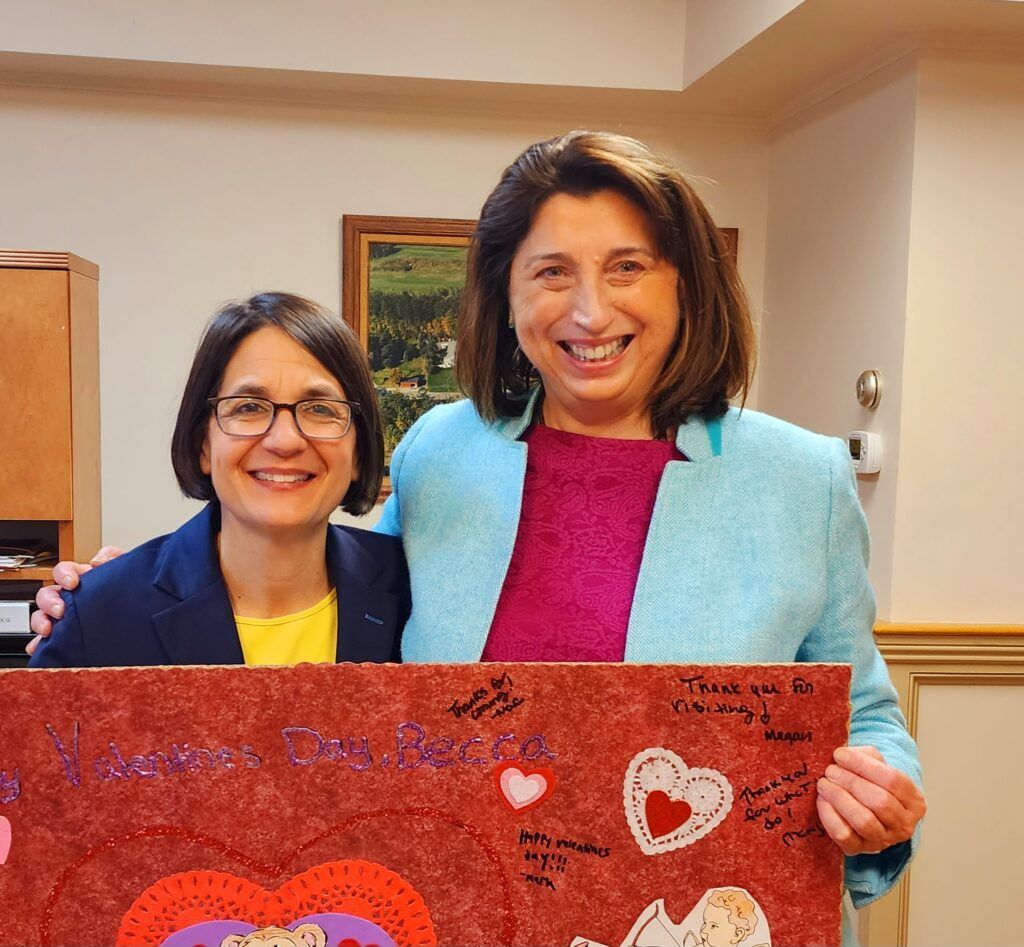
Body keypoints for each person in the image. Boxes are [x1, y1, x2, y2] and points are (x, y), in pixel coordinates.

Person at [30, 133, 923, 942]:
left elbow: (866, 707)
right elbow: (338, 610)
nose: (588, 309)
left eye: (626, 267)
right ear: (504, 294)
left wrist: (878, 798)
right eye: (550, 273)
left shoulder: (798, 478)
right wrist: (117, 595)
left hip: (699, 919)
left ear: (683, 283)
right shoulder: (444, 452)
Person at [29, 292, 408, 668]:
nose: (285, 440)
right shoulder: (98, 617)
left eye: (321, 409)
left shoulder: (416, 594)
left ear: (358, 453)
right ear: (203, 444)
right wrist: (92, 601)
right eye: (248, 407)